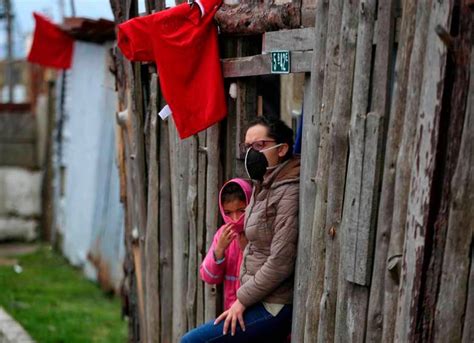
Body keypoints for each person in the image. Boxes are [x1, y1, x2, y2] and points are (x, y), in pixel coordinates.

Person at [182, 116, 300, 342]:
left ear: (282, 149)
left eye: (259, 145)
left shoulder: (288, 191)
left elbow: (281, 260)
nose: (251, 153)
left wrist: (242, 300)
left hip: (273, 305)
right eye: (248, 147)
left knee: (192, 341)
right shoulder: (264, 185)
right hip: (257, 298)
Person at [200, 178, 253, 311]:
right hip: (230, 313)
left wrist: (246, 250)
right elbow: (209, 277)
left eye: (241, 210)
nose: (235, 218)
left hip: (254, 312)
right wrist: (219, 250)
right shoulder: (223, 235)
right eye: (228, 213)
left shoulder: (258, 233)